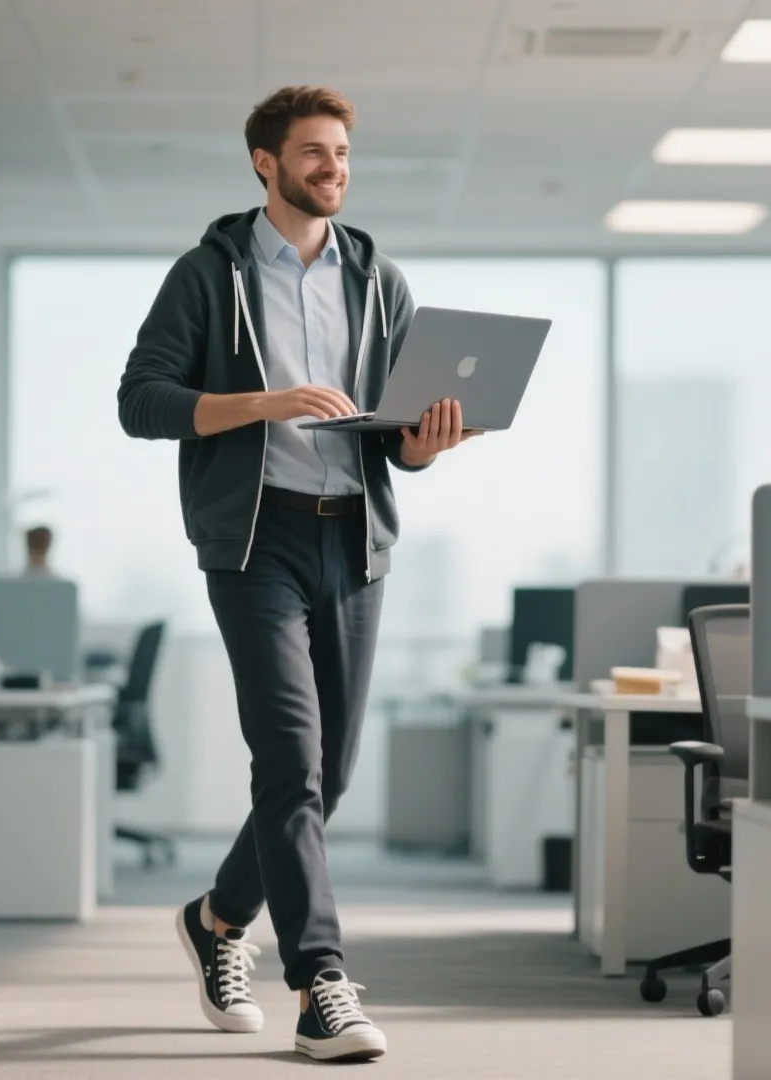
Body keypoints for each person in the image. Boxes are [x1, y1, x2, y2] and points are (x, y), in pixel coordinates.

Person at [116, 86, 476, 1063]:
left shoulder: (378, 278)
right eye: (315, 152)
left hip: (352, 540)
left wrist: (426, 443)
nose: (334, 168)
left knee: (330, 774)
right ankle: (322, 984)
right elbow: (142, 402)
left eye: (344, 152)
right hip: (255, 542)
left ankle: (217, 918)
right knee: (287, 761)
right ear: (265, 163)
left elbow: (396, 439)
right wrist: (262, 402)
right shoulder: (209, 273)